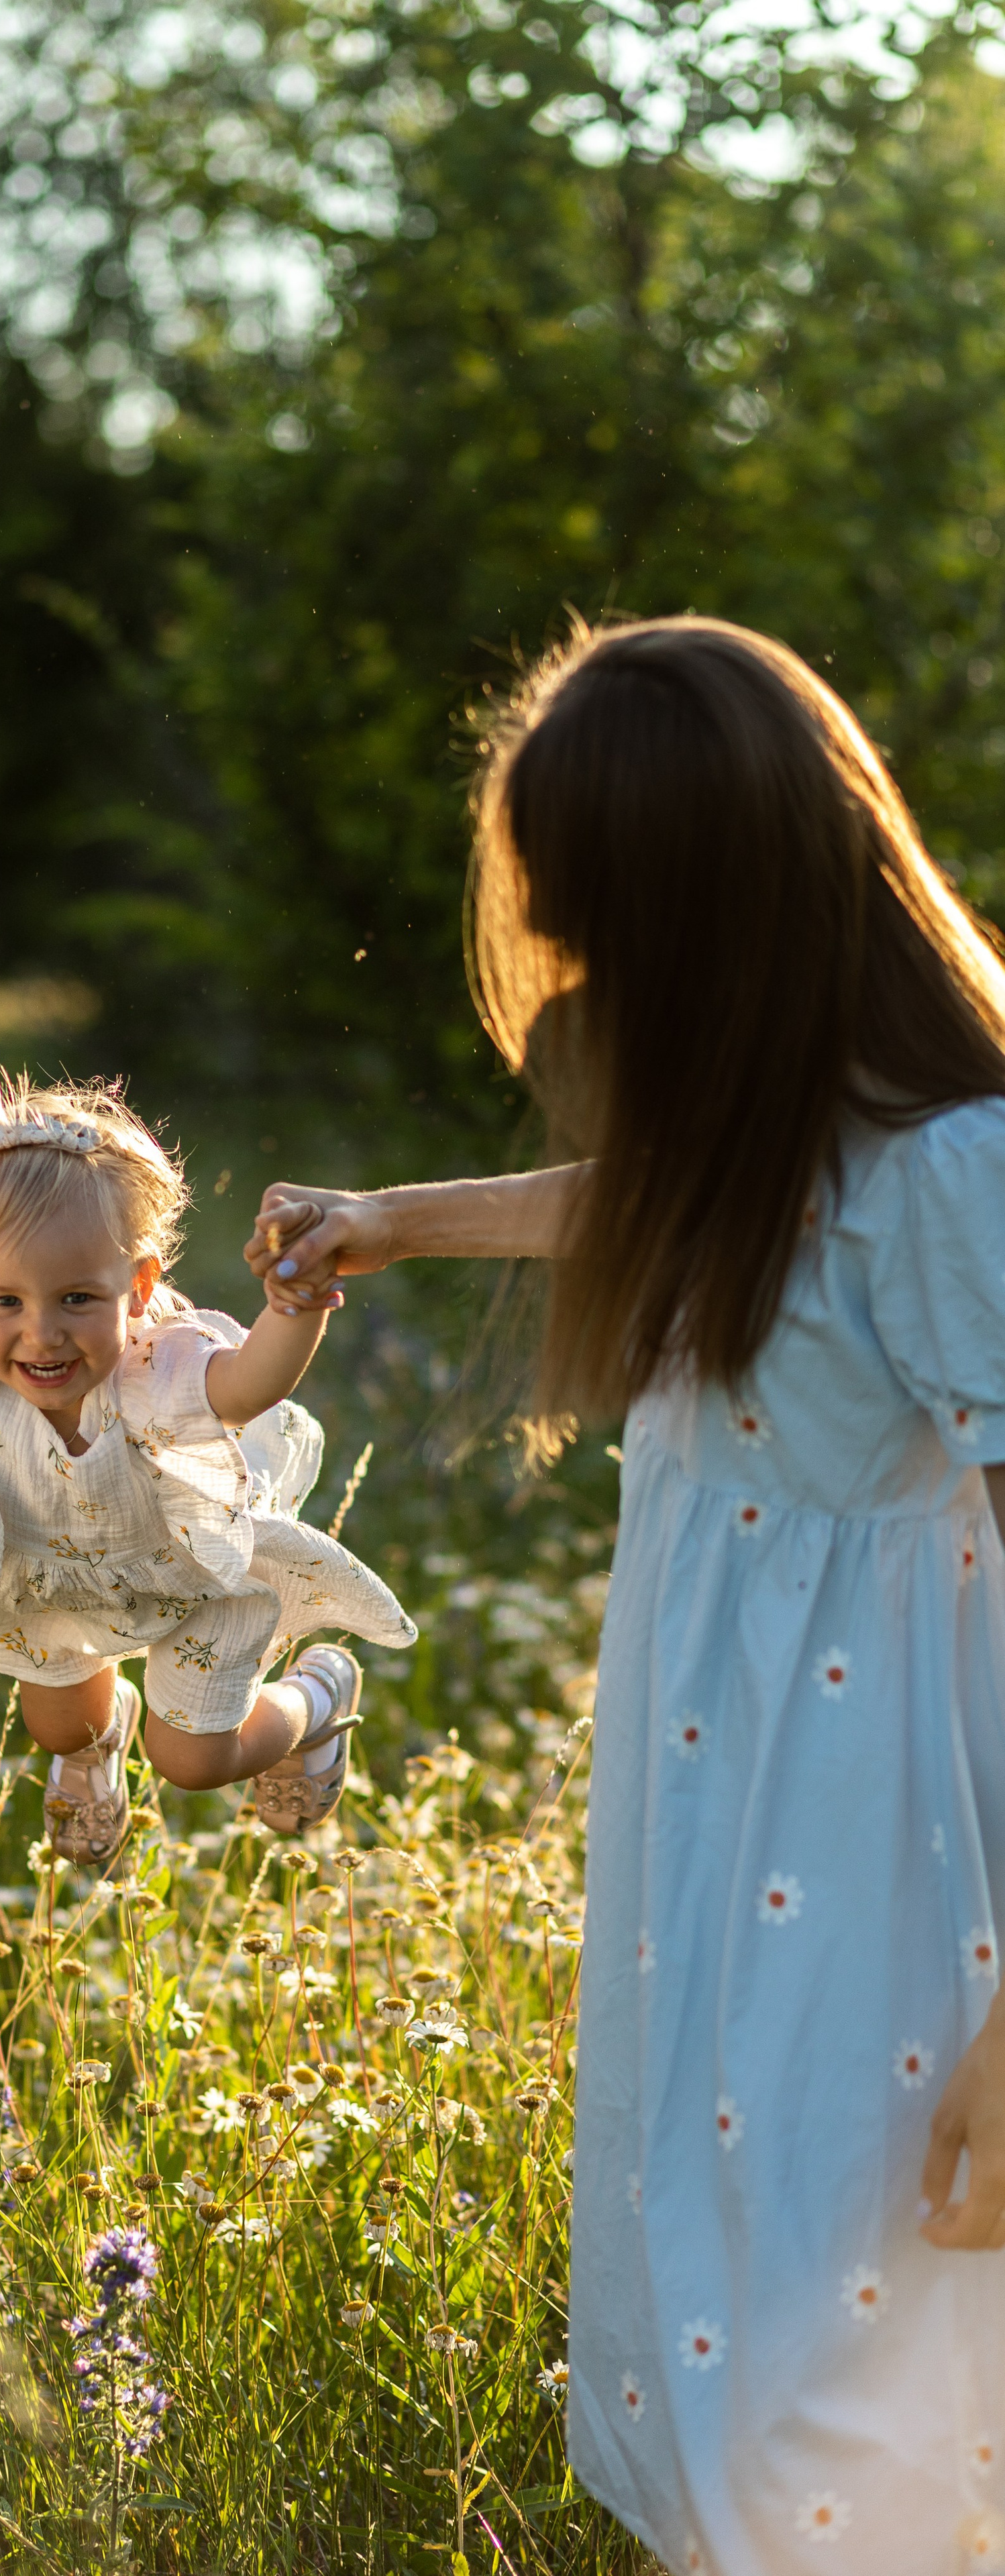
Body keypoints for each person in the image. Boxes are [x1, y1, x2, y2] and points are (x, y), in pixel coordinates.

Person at [244, 614, 1005, 2575]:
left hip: (888, 1883)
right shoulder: (771, 1121)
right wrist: (399, 1220)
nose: (581, 977)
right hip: (723, 1851)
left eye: (610, 932)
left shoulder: (952, 1167)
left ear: (728, 921)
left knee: (862, 2393)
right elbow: (666, 1189)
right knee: (738, 2333)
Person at [0, 1065, 416, 1864]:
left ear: (138, 1285)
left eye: (78, 1300)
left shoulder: (161, 1373)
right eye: (6, 1302)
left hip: (189, 1581)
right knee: (61, 1727)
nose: (42, 1333)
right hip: (47, 1577)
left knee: (191, 1762)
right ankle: (99, 1746)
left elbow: (254, 1383)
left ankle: (314, 1699)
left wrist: (293, 1308)